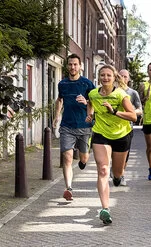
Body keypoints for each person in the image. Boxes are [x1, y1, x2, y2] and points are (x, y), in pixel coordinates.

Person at [86, 64, 136, 225]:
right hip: (100, 134)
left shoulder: (121, 95)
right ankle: (105, 208)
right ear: (99, 77)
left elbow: (133, 116)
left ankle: (118, 176)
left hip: (121, 135)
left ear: (114, 78)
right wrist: (90, 115)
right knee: (102, 169)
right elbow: (90, 103)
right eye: (102, 75)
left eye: (108, 75)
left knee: (117, 172)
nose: (105, 78)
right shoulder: (93, 93)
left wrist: (114, 112)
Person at [53, 53, 95, 201]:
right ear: (67, 66)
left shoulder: (87, 84)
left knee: (84, 158)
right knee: (67, 157)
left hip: (84, 125)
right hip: (67, 126)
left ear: (80, 66)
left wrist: (86, 102)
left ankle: (83, 162)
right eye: (70, 64)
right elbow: (60, 100)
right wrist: (57, 116)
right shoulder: (62, 84)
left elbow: (94, 102)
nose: (72, 67)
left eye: (75, 64)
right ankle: (68, 188)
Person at [118, 69, 143, 186]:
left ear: (128, 79)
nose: (122, 78)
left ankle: (121, 174)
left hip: (127, 127)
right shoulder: (111, 91)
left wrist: (131, 111)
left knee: (125, 152)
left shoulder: (133, 93)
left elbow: (139, 110)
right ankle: (116, 169)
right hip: (111, 126)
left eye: (125, 77)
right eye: (120, 76)